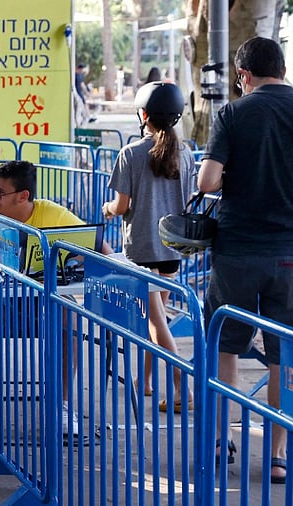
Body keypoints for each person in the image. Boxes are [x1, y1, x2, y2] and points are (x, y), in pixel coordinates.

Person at [197, 36, 293, 484]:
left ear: (243, 76)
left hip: (237, 251)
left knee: (223, 346)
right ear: (282, 68)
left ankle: (221, 444)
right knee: (285, 358)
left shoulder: (233, 114)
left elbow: (207, 181)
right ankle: (278, 458)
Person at [0, 160, 113, 438]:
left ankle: (60, 406)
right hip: (0, 299)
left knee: (70, 316)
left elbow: (100, 249)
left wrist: (88, 262)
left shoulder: (53, 213)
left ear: (23, 196)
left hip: (44, 300)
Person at [102, 81, 195, 412]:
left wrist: (107, 209)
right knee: (155, 320)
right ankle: (146, 381)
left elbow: (122, 204)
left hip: (142, 248)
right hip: (171, 250)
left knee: (154, 322)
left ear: (143, 114)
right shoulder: (185, 154)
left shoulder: (131, 153)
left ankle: (183, 384)